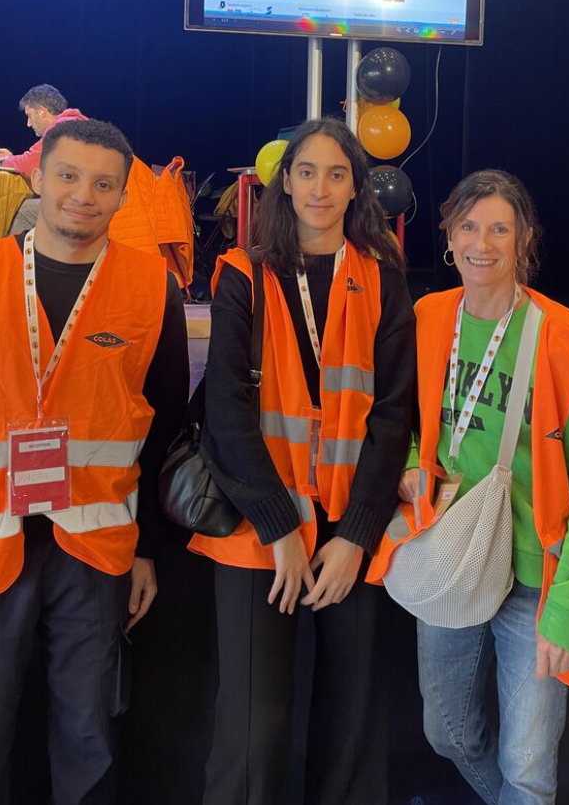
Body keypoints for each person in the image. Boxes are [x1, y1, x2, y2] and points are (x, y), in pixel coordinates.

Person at [0, 118, 189, 805]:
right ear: (39, 177)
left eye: (104, 184)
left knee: (90, 745)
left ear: (121, 198)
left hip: (93, 553)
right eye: (69, 176)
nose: (84, 195)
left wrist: (147, 547)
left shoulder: (149, 288)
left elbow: (164, 424)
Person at [370, 170, 569, 805]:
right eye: (468, 226)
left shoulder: (563, 340)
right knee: (447, 730)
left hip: (539, 576)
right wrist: (406, 460)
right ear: (449, 237)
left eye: (500, 228)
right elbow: (396, 414)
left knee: (529, 764)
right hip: (452, 554)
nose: (483, 242)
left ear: (525, 240)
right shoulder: (428, 318)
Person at [189, 116, 416, 805]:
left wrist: (354, 536)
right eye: (308, 171)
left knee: (352, 730)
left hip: (352, 527)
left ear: (356, 190)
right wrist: (279, 526)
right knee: (254, 729)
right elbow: (226, 411)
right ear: (284, 182)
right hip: (262, 529)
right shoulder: (242, 275)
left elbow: (392, 413)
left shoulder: (383, 278)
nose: (320, 187)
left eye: (337, 174)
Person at [0, 83, 87, 176]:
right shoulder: (77, 124)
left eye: (29, 116)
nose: (28, 124)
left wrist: (3, 162)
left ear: (41, 112)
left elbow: (33, 163)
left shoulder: (61, 129)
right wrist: (11, 159)